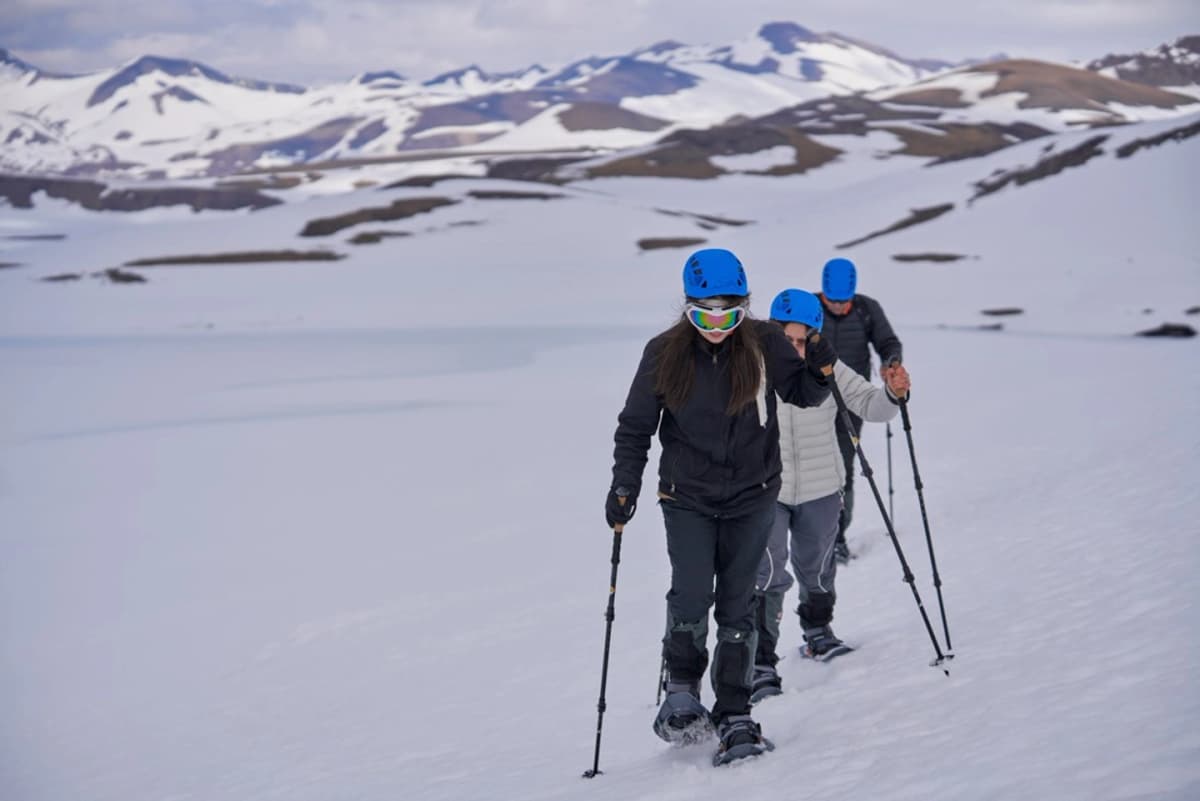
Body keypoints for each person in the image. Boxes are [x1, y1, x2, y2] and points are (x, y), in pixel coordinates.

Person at [606, 249, 836, 766]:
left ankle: (735, 712)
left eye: (728, 315)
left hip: (752, 496)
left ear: (743, 308)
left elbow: (802, 395)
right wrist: (625, 486)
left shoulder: (765, 343)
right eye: (703, 315)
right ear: (687, 309)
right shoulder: (663, 352)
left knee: (738, 601)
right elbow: (636, 426)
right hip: (686, 497)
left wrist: (820, 372)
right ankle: (682, 692)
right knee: (690, 594)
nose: (716, 326)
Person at [751, 289, 911, 702]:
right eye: (787, 339)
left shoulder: (830, 367)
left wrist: (892, 394)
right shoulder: (752, 370)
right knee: (767, 571)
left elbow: (871, 405)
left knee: (817, 565)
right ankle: (760, 662)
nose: (795, 348)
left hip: (822, 486)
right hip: (768, 488)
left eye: (803, 340)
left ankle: (818, 633)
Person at [818, 257, 904, 564]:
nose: (839, 307)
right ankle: (807, 537)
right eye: (833, 301)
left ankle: (837, 538)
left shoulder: (868, 309)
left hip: (851, 402)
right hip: (810, 400)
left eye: (845, 301)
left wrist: (890, 362)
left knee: (843, 469)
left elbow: (888, 341)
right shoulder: (811, 308)